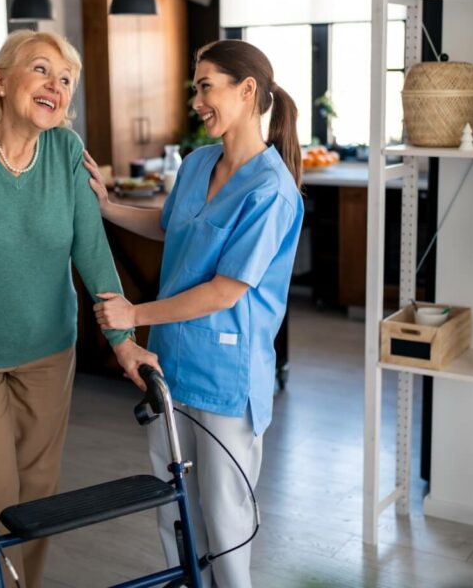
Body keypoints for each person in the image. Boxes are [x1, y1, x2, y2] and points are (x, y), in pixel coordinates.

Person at [0, 29, 158, 588]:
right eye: (42, 70)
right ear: (1, 81)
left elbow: (91, 249)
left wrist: (124, 342)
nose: (56, 85)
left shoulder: (66, 152)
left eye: (66, 79)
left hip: (50, 351)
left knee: (39, 499)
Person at [83, 39, 305, 587]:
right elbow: (170, 224)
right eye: (196, 87)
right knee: (174, 515)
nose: (197, 100)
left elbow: (225, 292)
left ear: (247, 90)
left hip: (227, 378)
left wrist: (134, 313)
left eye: (207, 86)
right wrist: (109, 206)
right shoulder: (199, 161)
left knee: (226, 527)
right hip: (171, 366)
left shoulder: (272, 190)